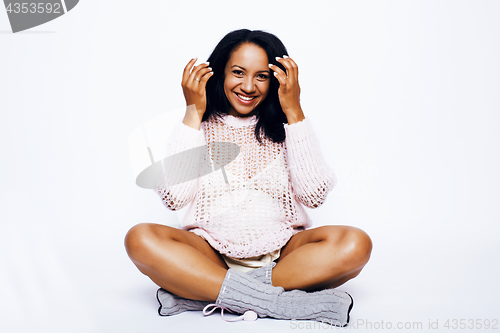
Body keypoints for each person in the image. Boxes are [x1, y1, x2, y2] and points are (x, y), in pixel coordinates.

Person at [124, 29, 372, 326]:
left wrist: (294, 109)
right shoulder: (196, 127)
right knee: (139, 239)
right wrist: (193, 112)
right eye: (238, 72)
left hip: (284, 256)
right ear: (220, 73)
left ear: (277, 79)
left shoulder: (287, 128)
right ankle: (277, 304)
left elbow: (314, 195)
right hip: (208, 254)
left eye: (262, 76)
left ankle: (200, 291)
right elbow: (174, 197)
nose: (249, 86)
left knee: (356, 244)